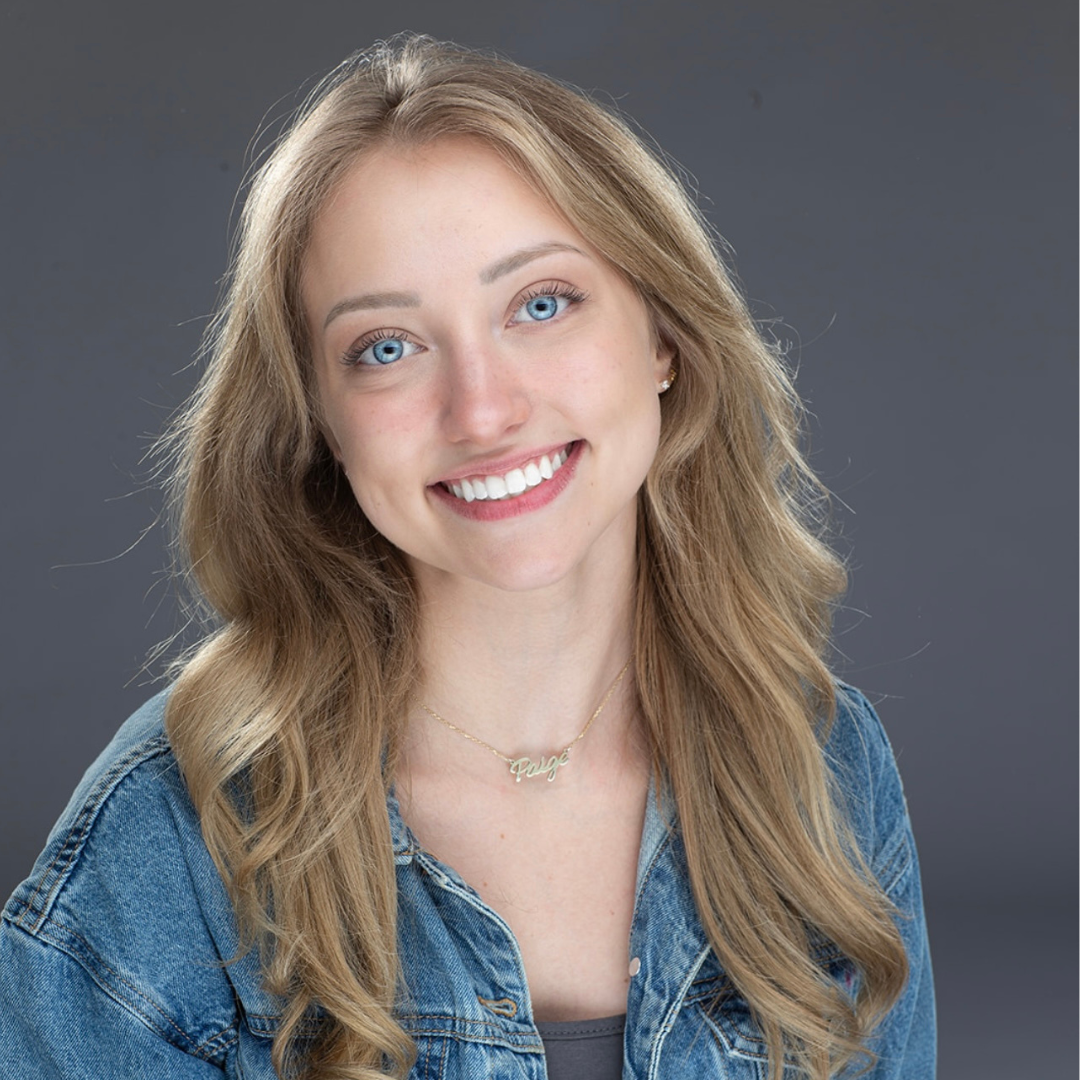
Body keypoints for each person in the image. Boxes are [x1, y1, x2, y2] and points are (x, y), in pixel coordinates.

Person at [0, 34, 934, 1080]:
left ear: (664, 336)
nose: (484, 410)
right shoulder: (172, 836)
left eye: (541, 303)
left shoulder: (822, 767)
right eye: (387, 347)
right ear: (318, 422)